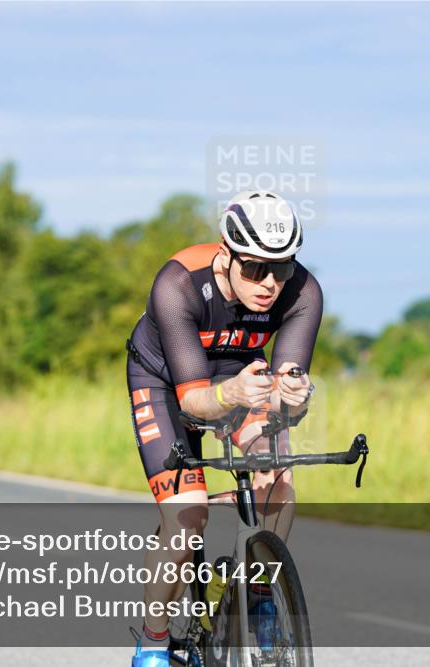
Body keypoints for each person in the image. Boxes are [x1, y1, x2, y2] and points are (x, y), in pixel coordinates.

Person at [126, 191, 323, 666]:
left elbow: (284, 386)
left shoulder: (304, 292)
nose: (270, 282)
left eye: (282, 267)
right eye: (254, 268)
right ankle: (153, 644)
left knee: (276, 477)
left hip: (240, 376)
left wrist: (292, 399)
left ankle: (260, 598)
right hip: (165, 381)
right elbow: (193, 400)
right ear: (225, 253)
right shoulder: (179, 284)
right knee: (187, 515)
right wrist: (231, 395)